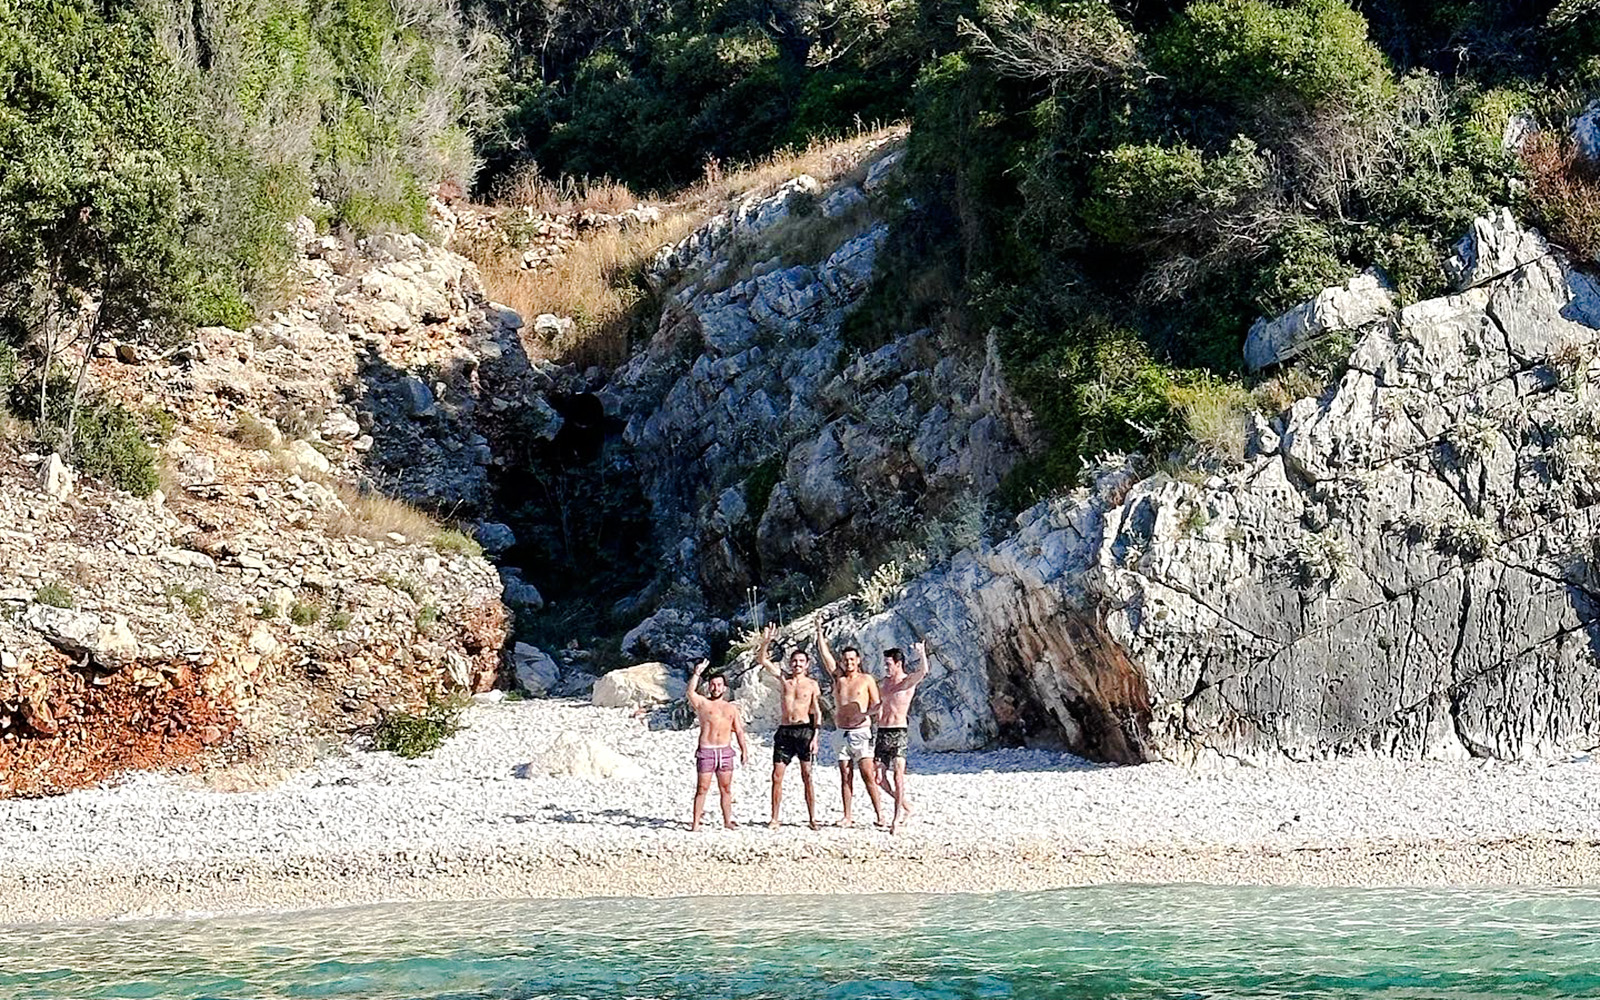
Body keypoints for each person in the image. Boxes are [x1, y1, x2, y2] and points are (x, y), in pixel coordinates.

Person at [815, 618, 887, 828]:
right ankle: (847, 815)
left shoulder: (866, 680)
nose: (848, 663)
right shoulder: (839, 678)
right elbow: (826, 657)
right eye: (845, 660)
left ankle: (880, 814)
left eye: (852, 660)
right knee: (845, 774)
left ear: (858, 660)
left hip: (860, 732)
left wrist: (865, 713)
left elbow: (878, 704)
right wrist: (819, 633)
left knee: (867, 773)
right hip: (841, 732)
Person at [756, 623, 823, 830]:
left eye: (801, 661)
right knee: (776, 776)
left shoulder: (812, 685)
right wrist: (766, 642)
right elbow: (763, 660)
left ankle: (812, 817)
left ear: (807, 664)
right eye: (794, 661)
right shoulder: (784, 679)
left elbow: (817, 711)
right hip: (785, 731)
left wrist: (816, 737)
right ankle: (775, 817)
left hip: (804, 731)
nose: (797, 665)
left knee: (807, 776)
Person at [687, 658, 749, 831]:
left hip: (725, 751)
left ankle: (727, 820)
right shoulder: (703, 704)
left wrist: (744, 750)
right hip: (707, 750)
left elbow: (739, 731)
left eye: (719, 685)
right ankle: (695, 822)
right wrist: (697, 673)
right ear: (709, 686)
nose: (716, 688)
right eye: (713, 685)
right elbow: (691, 692)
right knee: (702, 788)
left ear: (724, 687)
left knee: (726, 788)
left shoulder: (731, 708)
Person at [874, 641, 929, 833]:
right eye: (885, 664)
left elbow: (923, 672)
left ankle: (896, 819)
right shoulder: (884, 684)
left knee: (898, 775)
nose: (886, 667)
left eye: (888, 664)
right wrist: (865, 714)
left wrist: (921, 653)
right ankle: (906, 805)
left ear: (898, 664)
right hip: (882, 733)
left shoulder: (906, 682)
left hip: (898, 732)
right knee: (879, 778)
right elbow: (879, 705)